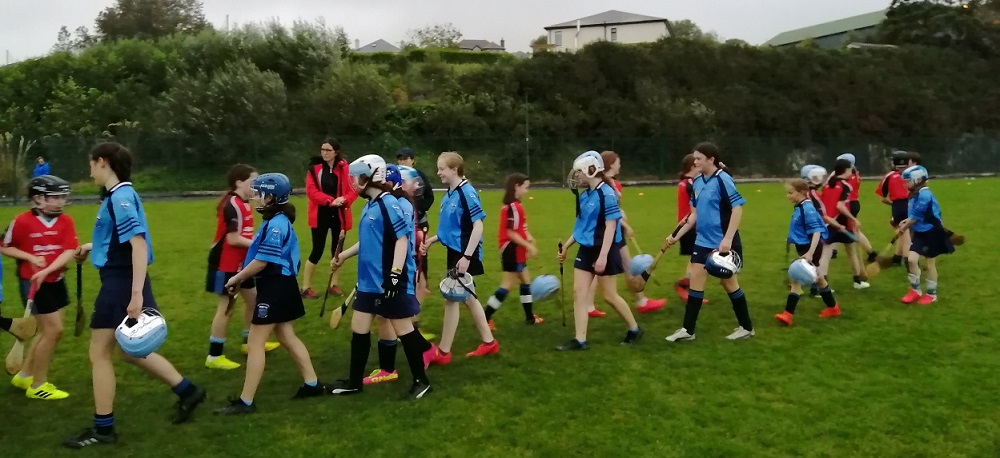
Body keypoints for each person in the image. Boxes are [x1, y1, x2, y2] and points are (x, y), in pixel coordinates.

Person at [64, 142, 205, 449]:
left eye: (91, 163)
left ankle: (103, 429)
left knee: (99, 353)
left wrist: (136, 294)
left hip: (121, 284)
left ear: (103, 162)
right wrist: (90, 247)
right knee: (130, 350)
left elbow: (138, 244)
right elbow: (120, 239)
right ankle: (188, 391)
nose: (89, 170)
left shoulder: (121, 197)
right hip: (121, 279)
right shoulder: (118, 195)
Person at [214, 173, 327, 415]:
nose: (256, 198)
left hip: (276, 287)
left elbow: (262, 261)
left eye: (260, 194)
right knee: (286, 336)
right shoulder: (275, 219)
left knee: (255, 343)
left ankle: (246, 401)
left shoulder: (276, 224)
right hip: (279, 285)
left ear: (272, 197)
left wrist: (237, 278)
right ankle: (312, 384)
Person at [328, 156, 434, 399]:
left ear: (371, 176)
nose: (353, 182)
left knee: (404, 329)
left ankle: (422, 381)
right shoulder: (370, 205)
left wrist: (395, 276)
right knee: (359, 327)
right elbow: (369, 241)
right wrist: (343, 255)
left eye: (357, 177)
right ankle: (354, 382)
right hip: (368, 281)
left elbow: (402, 240)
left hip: (388, 280)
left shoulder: (389, 204)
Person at [356, 164, 439, 387]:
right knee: (391, 319)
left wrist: (393, 273)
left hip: (398, 270)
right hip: (385, 271)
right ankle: (394, 365)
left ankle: (411, 362)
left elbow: (399, 240)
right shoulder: (385, 203)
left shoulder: (397, 204)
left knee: (397, 321)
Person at [664, 142, 754, 342]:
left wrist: (727, 239)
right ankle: (688, 331)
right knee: (696, 281)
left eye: (699, 158)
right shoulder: (696, 182)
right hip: (702, 241)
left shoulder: (723, 179)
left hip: (722, 242)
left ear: (711, 159)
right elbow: (693, 215)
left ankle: (746, 328)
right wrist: (676, 235)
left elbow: (737, 209)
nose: (695, 162)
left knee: (729, 284)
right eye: (694, 158)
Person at [555, 151, 642, 351]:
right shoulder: (585, 196)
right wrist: (566, 247)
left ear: (591, 170)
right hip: (586, 249)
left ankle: (634, 328)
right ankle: (580, 340)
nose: (576, 176)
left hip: (605, 250)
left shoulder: (607, 194)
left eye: (579, 171)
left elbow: (611, 227)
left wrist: (602, 257)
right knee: (578, 292)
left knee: (609, 296)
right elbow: (581, 228)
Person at [2, 175, 78, 400]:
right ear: (38, 199)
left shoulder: (66, 221)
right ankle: (38, 385)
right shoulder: (22, 221)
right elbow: (4, 246)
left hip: (56, 280)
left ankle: (25, 375)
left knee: (49, 332)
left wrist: (48, 270)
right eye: (56, 197)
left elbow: (69, 250)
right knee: (54, 331)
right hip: (33, 283)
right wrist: (30, 258)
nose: (61, 201)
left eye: (63, 196)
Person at [420, 152, 499, 363]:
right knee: (468, 297)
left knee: (452, 298)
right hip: (456, 251)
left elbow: (478, 226)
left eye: (442, 168)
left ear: (454, 169)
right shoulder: (450, 193)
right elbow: (452, 227)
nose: (438, 173)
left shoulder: (467, 193)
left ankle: (444, 352)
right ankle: (489, 343)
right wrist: (432, 240)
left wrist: (466, 257)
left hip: (464, 252)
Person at [204, 164, 280, 371]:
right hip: (225, 264)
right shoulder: (232, 204)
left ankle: (249, 343)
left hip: (242, 264)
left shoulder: (243, 203)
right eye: (253, 181)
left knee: (253, 301)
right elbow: (233, 239)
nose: (256, 185)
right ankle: (214, 355)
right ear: (239, 182)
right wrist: (259, 244)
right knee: (227, 307)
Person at [584, 151, 666, 316]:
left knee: (606, 269)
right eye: (618, 162)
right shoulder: (608, 184)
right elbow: (608, 211)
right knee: (624, 267)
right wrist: (625, 224)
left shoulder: (606, 183)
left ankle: (589, 306)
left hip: (608, 230)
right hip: (612, 231)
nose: (620, 165)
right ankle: (640, 301)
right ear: (611, 164)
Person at [775, 179, 842, 326]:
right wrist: (791, 237)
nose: (788, 196)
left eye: (790, 192)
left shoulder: (807, 208)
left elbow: (816, 232)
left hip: (810, 248)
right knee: (819, 278)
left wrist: (810, 253)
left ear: (801, 192)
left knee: (795, 278)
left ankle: (788, 314)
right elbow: (801, 227)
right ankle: (833, 308)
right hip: (805, 247)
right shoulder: (800, 206)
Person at [483, 173, 543, 328]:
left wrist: (529, 238)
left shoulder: (514, 206)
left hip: (516, 249)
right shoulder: (513, 207)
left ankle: (529, 318)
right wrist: (528, 246)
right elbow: (510, 233)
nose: (527, 191)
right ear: (517, 186)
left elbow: (519, 228)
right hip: (512, 250)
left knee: (525, 281)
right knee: (507, 285)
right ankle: (484, 317)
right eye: (526, 187)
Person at [302, 138, 358, 299]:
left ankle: (334, 284)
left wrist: (344, 199)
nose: (324, 153)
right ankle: (305, 288)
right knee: (317, 250)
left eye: (328, 150)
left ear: (336, 152)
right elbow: (311, 192)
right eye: (323, 150)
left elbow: (353, 190)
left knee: (337, 251)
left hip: (340, 215)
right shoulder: (315, 169)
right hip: (320, 215)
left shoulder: (345, 169)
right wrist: (330, 201)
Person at [894, 165, 953, 304]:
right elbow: (913, 216)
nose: (905, 184)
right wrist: (906, 221)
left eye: (907, 181)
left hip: (932, 232)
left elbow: (916, 217)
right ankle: (915, 290)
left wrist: (903, 228)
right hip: (920, 232)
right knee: (911, 260)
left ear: (917, 180)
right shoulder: (914, 194)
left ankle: (931, 294)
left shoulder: (924, 195)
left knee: (929, 263)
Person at [396, 149, 436, 338]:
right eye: (400, 159)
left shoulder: (418, 176)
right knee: (410, 276)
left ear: (413, 160)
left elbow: (429, 196)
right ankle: (406, 322)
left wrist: (418, 210)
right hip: (407, 230)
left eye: (406, 158)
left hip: (419, 226)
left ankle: (412, 321)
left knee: (420, 273)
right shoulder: (395, 178)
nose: (402, 161)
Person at [819, 159, 869, 289]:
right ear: (846, 170)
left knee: (826, 254)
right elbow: (840, 206)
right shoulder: (846, 186)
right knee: (851, 251)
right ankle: (857, 282)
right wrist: (853, 219)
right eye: (850, 170)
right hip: (842, 222)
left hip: (828, 222)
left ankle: (822, 284)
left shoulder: (827, 185)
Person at [673, 153, 706, 303]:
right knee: (700, 261)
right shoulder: (690, 184)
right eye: (698, 163)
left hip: (688, 225)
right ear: (693, 167)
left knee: (696, 261)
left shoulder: (686, 182)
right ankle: (685, 286)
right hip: (691, 227)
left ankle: (688, 288)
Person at [837, 153, 879, 267]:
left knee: (852, 230)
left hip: (848, 204)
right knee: (841, 227)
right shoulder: (855, 173)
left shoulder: (848, 176)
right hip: (853, 202)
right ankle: (833, 250)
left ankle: (871, 252)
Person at [875, 150, 911, 267]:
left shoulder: (889, 176)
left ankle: (902, 258)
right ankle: (905, 259)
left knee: (904, 233)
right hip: (912, 205)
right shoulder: (913, 173)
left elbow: (883, 198)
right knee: (906, 234)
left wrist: (893, 204)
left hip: (898, 207)